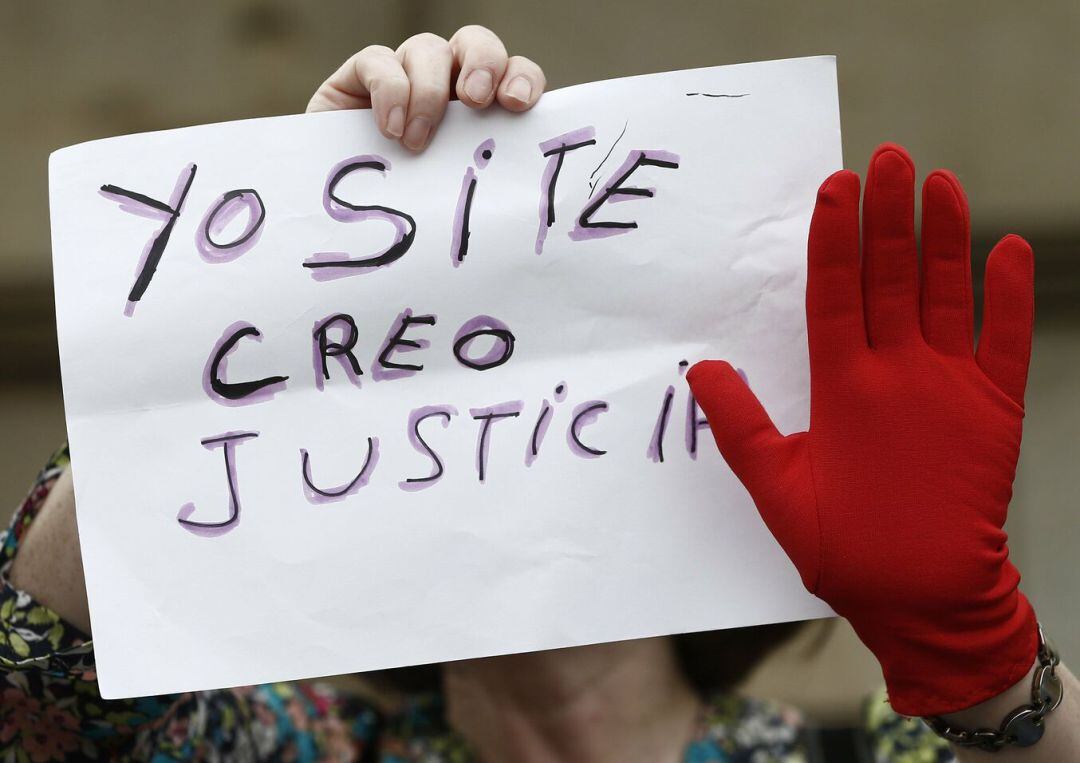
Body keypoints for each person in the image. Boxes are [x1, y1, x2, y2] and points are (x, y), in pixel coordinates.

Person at [1, 24, 1076, 763]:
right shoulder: (291, 746)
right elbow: (32, 689)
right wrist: (275, 287)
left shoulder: (861, 752)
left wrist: (981, 663)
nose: (500, 417)